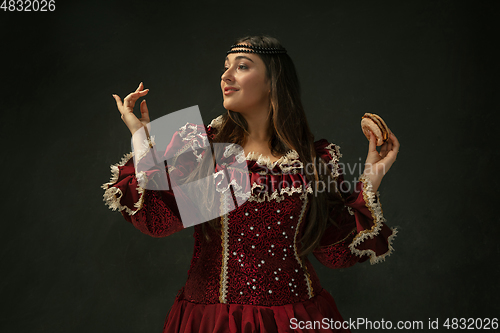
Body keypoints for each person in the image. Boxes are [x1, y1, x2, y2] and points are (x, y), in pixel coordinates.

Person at [103, 35, 400, 333]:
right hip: (212, 323)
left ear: (273, 81)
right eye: (225, 67)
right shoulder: (200, 144)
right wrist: (143, 138)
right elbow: (157, 221)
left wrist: (371, 178)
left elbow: (334, 253)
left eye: (242, 66)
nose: (226, 76)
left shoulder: (314, 158)